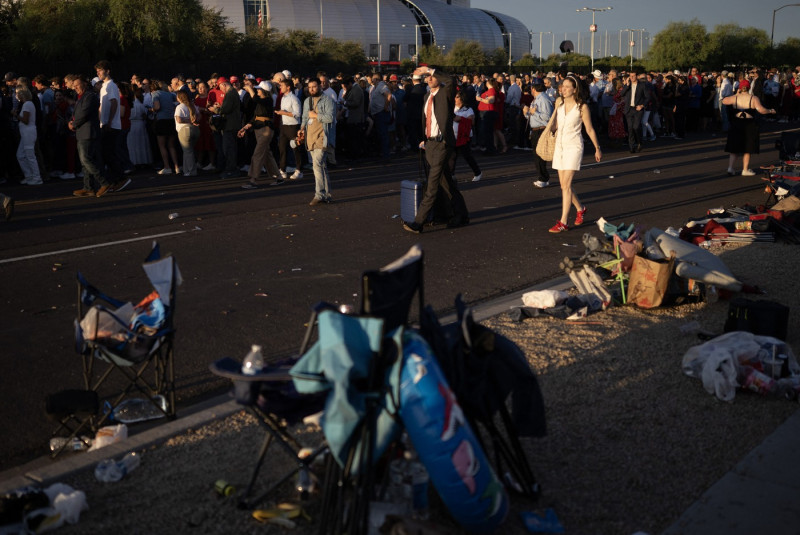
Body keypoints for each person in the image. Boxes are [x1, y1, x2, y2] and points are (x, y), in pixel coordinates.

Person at [402, 66, 469, 233]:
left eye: (432, 76)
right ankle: (461, 215)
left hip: (442, 144)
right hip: (430, 144)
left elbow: (452, 80)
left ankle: (418, 222)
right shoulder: (426, 96)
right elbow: (426, 121)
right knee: (445, 183)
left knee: (432, 184)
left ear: (438, 77)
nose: (429, 79)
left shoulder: (445, 93)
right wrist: (424, 140)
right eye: (427, 77)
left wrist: (431, 69)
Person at [547, 75, 602, 233]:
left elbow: (589, 129)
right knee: (564, 185)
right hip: (560, 146)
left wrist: (597, 148)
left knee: (565, 185)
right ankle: (580, 208)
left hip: (574, 147)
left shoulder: (582, 107)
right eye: (562, 86)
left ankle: (563, 221)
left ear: (574, 89)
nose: (562, 89)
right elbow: (556, 123)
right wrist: (548, 131)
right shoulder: (559, 102)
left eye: (566, 86)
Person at [721, 79, 776, 176]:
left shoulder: (735, 97)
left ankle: (730, 167)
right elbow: (761, 110)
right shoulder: (753, 98)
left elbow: (724, 100)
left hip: (736, 124)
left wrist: (736, 94)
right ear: (749, 87)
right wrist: (770, 111)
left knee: (734, 147)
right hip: (749, 124)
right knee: (748, 147)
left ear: (740, 88)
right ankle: (745, 169)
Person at [69, 75, 112, 197]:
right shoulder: (81, 97)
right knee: (85, 162)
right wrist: (71, 122)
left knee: (86, 159)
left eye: (77, 85)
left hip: (88, 133)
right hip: (82, 132)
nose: (75, 87)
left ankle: (104, 182)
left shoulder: (89, 96)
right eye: (74, 85)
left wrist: (74, 124)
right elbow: (77, 113)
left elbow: (84, 113)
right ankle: (88, 187)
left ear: (85, 84)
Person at [239, 81, 281, 189]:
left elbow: (255, 99)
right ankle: (278, 177)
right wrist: (246, 127)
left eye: (259, 89)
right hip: (259, 129)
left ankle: (253, 179)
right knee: (267, 154)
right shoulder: (260, 102)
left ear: (264, 91)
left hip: (265, 130)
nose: (257, 90)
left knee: (257, 154)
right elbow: (255, 117)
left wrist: (250, 89)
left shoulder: (268, 100)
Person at [300, 78, 335, 205]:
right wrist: (302, 129)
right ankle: (327, 194)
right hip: (310, 137)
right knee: (322, 166)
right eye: (309, 87)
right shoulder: (307, 101)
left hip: (323, 137)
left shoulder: (328, 100)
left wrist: (315, 116)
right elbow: (304, 117)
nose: (312, 89)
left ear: (320, 86)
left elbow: (330, 117)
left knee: (317, 164)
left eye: (314, 87)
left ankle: (319, 194)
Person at [523, 82, 553, 188]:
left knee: (539, 154)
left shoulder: (543, 99)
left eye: (532, 88)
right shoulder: (536, 99)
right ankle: (542, 177)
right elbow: (533, 116)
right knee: (537, 154)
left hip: (541, 129)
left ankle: (543, 178)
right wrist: (526, 113)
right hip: (535, 129)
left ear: (534, 89)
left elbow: (548, 117)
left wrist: (533, 112)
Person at [273, 78, 303, 183]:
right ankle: (282, 169)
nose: (280, 87)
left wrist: (284, 113)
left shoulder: (294, 98)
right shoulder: (283, 97)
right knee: (282, 147)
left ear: (288, 87)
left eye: (282, 85)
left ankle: (299, 170)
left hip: (293, 126)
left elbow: (298, 113)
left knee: (295, 148)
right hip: (284, 126)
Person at [451, 92, 481, 182]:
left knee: (467, 156)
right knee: (452, 156)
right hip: (453, 136)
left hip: (464, 136)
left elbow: (471, 121)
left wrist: (459, 119)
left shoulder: (468, 109)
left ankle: (477, 172)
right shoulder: (452, 108)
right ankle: (451, 175)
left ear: (462, 99)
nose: (455, 99)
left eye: (457, 97)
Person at [619, 70, 651, 153]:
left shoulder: (642, 85)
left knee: (636, 127)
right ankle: (631, 146)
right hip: (629, 109)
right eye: (630, 76)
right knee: (630, 128)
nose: (632, 77)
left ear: (637, 76)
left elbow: (647, 97)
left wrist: (642, 105)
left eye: (633, 76)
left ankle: (639, 142)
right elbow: (621, 94)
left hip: (638, 109)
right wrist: (627, 85)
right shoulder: (627, 85)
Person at [174, 90, 200, 176]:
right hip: (195, 129)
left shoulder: (180, 107)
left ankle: (192, 171)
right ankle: (187, 170)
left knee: (188, 151)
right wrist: (194, 120)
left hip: (184, 130)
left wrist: (189, 120)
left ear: (179, 97)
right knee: (188, 151)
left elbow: (179, 119)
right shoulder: (193, 105)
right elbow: (199, 116)